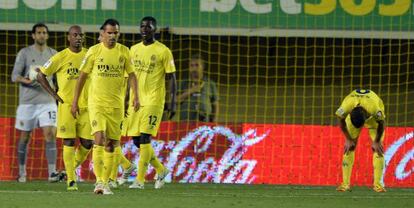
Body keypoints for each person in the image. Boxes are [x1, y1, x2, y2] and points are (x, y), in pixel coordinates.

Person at [71, 18, 139, 195]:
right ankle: (99, 182)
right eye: (109, 33)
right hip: (97, 104)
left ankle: (107, 181)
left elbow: (132, 76)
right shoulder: (94, 51)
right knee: (99, 140)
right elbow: (81, 77)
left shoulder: (124, 51)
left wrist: (136, 97)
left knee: (112, 145)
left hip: (116, 106)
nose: (112, 36)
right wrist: (74, 101)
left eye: (115, 32)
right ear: (102, 34)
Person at [36, 25, 93, 191]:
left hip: (87, 106)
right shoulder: (60, 57)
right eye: (75, 35)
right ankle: (71, 181)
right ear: (69, 37)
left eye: (81, 35)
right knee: (68, 141)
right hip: (66, 105)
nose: (78, 38)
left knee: (88, 143)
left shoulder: (90, 55)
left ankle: (67, 171)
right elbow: (40, 75)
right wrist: (55, 95)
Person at [122, 16, 176, 189]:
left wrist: (172, 103)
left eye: (149, 26)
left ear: (155, 29)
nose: (145, 29)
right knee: (137, 140)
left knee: (145, 138)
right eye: (142, 26)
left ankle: (139, 180)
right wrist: (124, 100)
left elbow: (172, 77)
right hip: (135, 101)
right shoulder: (133, 49)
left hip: (154, 100)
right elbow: (128, 77)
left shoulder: (163, 51)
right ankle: (161, 170)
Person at [11, 23, 60, 183]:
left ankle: (52, 173)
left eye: (44, 32)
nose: (41, 35)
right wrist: (26, 80)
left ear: (47, 35)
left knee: (50, 135)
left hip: (47, 101)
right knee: (25, 137)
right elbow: (14, 76)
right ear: (33, 35)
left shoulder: (54, 54)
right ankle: (22, 173)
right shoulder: (24, 53)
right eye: (38, 32)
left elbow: (59, 79)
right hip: (27, 103)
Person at [335, 89, 386, 192]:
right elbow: (340, 120)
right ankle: (345, 184)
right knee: (350, 147)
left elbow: (382, 122)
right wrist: (348, 139)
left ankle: (378, 185)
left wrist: (376, 141)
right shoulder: (346, 106)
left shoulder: (374, 109)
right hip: (354, 118)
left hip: (374, 120)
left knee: (378, 149)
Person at [177, 54, 219, 122]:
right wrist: (191, 90)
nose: (194, 68)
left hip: (205, 121)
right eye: (191, 65)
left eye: (197, 65)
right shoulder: (183, 83)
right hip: (186, 121)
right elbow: (175, 100)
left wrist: (214, 120)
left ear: (202, 67)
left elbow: (215, 104)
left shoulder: (210, 83)